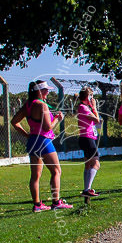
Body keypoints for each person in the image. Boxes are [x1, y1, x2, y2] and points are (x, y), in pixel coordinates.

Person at [11, 80, 72, 211]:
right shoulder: (42, 105)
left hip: (33, 141)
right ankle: (56, 201)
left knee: (35, 176)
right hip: (44, 141)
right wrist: (57, 119)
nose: (48, 92)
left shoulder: (28, 105)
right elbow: (47, 127)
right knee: (56, 171)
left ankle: (37, 205)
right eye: (45, 90)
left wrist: (27, 135)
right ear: (39, 91)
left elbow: (14, 121)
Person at [76, 87, 101, 197]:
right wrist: (94, 107)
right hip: (87, 138)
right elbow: (97, 120)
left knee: (88, 164)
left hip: (87, 137)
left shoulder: (84, 108)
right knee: (96, 163)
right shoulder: (83, 108)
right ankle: (87, 189)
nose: (93, 98)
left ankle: (87, 189)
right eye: (91, 96)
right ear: (87, 97)